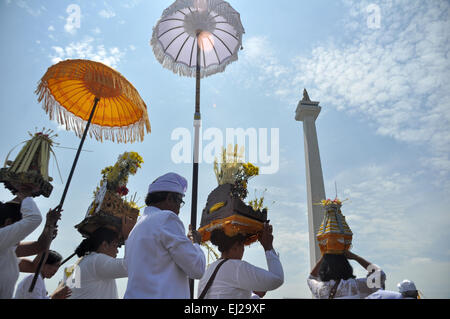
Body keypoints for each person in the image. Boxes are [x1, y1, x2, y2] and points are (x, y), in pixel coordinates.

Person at [124, 172, 206, 299]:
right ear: (169, 198)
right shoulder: (167, 218)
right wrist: (195, 243)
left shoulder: (136, 228)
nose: (179, 209)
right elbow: (197, 269)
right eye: (179, 201)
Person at [197, 222, 284, 299]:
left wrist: (253, 294)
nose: (243, 250)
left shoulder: (208, 270)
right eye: (242, 246)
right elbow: (277, 278)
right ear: (236, 246)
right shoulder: (236, 267)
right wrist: (268, 246)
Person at [0, 193, 60, 299]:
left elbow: (35, 264)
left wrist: (49, 226)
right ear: (9, 223)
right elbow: (34, 219)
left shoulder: (8, 250)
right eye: (20, 225)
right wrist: (24, 192)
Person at [67, 218, 134, 299]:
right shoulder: (97, 260)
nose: (117, 251)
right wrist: (128, 236)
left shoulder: (82, 262)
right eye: (115, 245)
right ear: (105, 245)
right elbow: (129, 266)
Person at [307, 250, 385, 299]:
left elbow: (311, 278)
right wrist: (355, 257)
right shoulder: (355, 286)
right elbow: (379, 274)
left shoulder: (320, 289)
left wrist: (324, 255)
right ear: (347, 266)